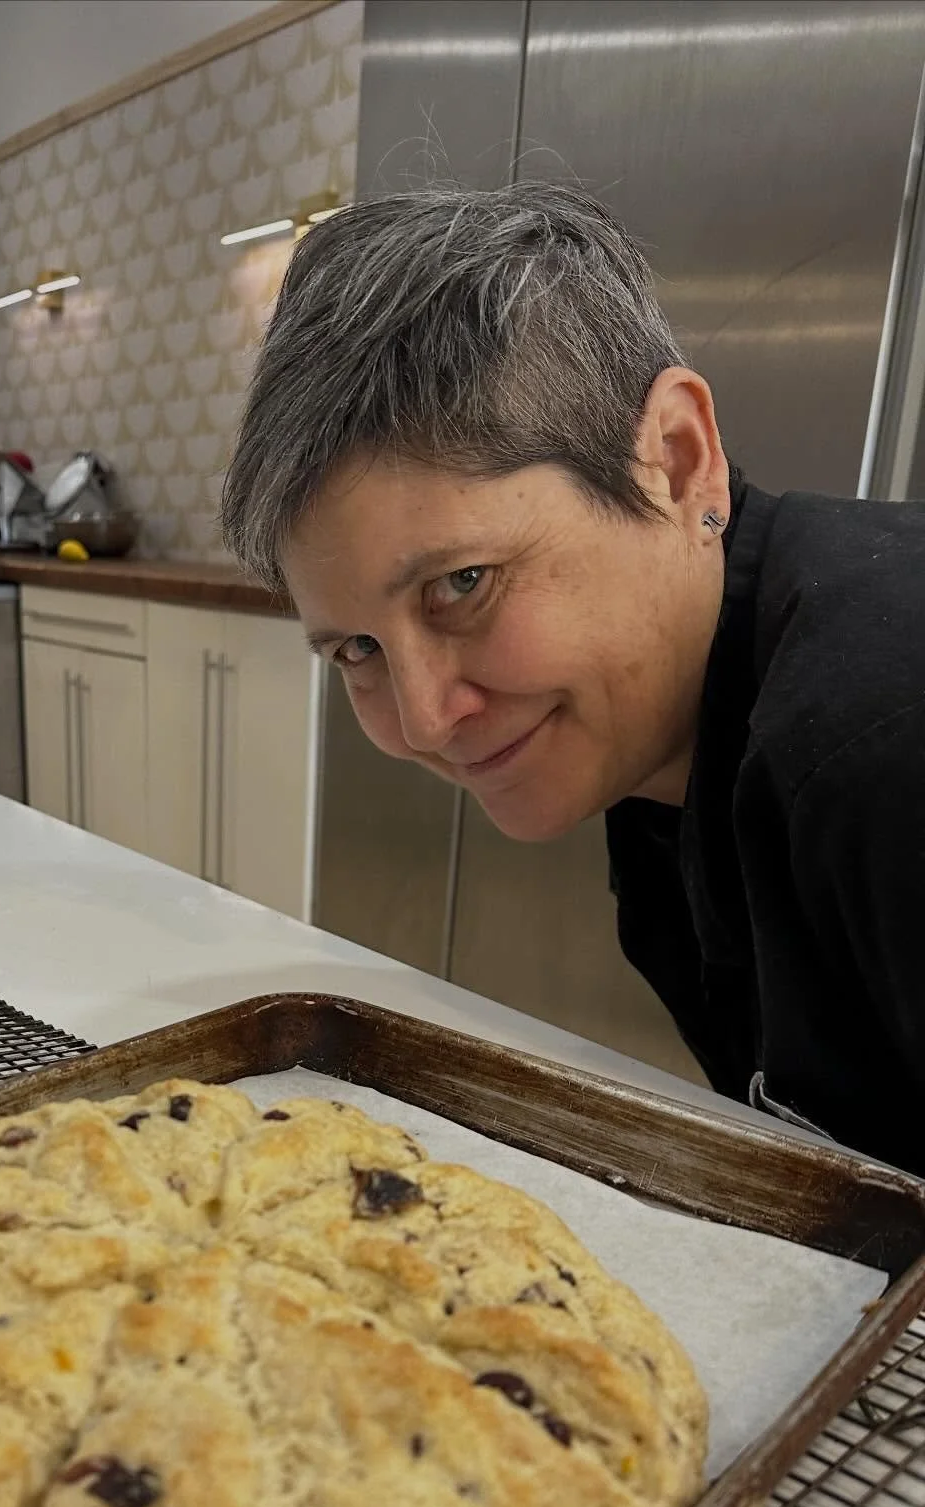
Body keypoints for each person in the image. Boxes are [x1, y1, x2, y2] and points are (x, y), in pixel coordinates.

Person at [220, 181, 925, 1177]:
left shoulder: (884, 747)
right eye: (356, 652)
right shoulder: (665, 760)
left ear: (679, 463)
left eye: (463, 583)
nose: (424, 721)